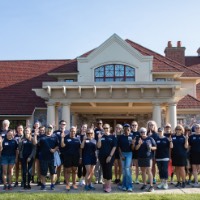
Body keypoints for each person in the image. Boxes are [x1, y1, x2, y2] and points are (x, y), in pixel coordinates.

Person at [35, 124, 59, 190]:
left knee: (52, 172)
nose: (49, 129)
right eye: (48, 128)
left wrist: (54, 149)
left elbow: (57, 145)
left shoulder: (55, 137)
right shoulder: (41, 137)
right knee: (43, 172)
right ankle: (43, 184)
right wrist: (35, 135)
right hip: (43, 158)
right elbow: (35, 143)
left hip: (52, 158)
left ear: (52, 129)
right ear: (45, 129)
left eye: (50, 128)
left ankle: (52, 184)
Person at [135, 127, 157, 192]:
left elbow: (155, 147)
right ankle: (144, 184)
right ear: (140, 133)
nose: (143, 133)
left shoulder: (150, 138)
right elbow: (136, 148)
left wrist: (150, 147)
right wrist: (139, 144)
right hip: (141, 157)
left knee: (149, 170)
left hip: (148, 157)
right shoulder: (138, 139)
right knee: (143, 171)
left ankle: (151, 185)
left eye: (144, 132)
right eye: (141, 132)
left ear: (146, 132)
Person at [97, 124, 117, 193]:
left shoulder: (113, 137)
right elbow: (98, 147)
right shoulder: (101, 136)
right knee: (104, 170)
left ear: (110, 128)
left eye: (107, 128)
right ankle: (105, 184)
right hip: (102, 156)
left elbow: (114, 147)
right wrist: (99, 138)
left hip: (110, 156)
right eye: (104, 128)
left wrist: (110, 156)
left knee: (108, 169)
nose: (106, 129)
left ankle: (109, 186)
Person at [61, 126, 81, 191]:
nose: (73, 132)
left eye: (74, 131)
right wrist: (62, 138)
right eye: (72, 131)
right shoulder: (66, 138)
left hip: (76, 157)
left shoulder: (78, 139)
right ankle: (67, 185)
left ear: (76, 132)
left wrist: (80, 157)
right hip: (67, 157)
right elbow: (62, 145)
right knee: (68, 170)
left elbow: (80, 148)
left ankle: (74, 184)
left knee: (75, 170)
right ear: (70, 131)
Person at [118, 124, 134, 192]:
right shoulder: (121, 137)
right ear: (123, 129)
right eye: (125, 129)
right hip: (123, 154)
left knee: (127, 169)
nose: (127, 130)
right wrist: (121, 155)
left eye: (128, 129)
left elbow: (132, 148)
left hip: (129, 153)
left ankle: (129, 186)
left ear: (130, 129)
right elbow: (119, 147)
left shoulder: (131, 137)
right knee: (124, 171)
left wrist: (133, 143)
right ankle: (124, 186)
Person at [53, 120, 69, 185]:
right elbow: (53, 140)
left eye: (64, 124)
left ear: (66, 125)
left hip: (66, 151)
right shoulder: (56, 132)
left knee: (65, 166)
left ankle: (65, 179)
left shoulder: (68, 132)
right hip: (58, 151)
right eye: (62, 124)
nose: (63, 125)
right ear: (59, 125)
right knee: (58, 165)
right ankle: (58, 179)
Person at [147, 120, 158, 184]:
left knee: (153, 166)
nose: (151, 126)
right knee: (148, 167)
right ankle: (149, 178)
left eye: (152, 125)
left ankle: (153, 178)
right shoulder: (146, 133)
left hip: (154, 153)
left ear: (154, 126)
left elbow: (156, 145)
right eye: (150, 125)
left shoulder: (156, 134)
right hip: (147, 153)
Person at [0, 119, 10, 184]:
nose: (5, 125)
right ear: (2, 125)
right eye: (4, 124)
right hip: (1, 151)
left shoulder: (10, 131)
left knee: (7, 168)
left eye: (6, 124)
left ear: (8, 125)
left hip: (8, 152)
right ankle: (1, 179)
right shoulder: (0, 131)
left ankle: (8, 180)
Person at [94, 119, 104, 184]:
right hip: (97, 149)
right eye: (98, 123)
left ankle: (101, 179)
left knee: (102, 165)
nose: (99, 124)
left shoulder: (104, 130)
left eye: (100, 123)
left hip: (103, 149)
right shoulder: (95, 131)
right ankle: (96, 179)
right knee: (97, 164)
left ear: (102, 124)